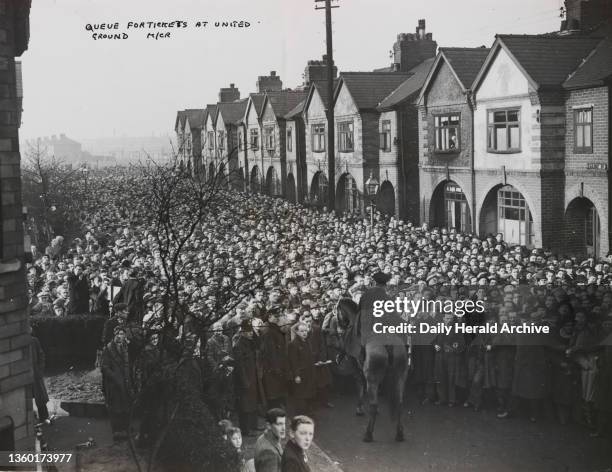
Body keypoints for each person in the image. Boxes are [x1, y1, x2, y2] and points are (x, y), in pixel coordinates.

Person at [100, 325, 132, 441]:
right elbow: (104, 367)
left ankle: (124, 430)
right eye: (118, 334)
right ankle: (117, 432)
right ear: (114, 335)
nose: (120, 336)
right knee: (115, 408)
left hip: (125, 382)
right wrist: (115, 377)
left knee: (125, 407)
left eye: (122, 334)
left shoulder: (125, 347)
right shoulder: (108, 349)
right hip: (113, 384)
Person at [234, 319, 260, 436]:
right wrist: (245, 381)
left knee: (252, 403)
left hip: (252, 377)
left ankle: (253, 426)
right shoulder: (239, 345)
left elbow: (258, 343)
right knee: (245, 405)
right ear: (242, 332)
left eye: (251, 331)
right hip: (245, 379)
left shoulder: (249, 342)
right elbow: (239, 366)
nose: (251, 333)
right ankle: (246, 430)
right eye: (248, 331)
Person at [288, 322, 315, 416]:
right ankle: (300, 415)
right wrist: (297, 375)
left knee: (308, 394)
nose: (304, 333)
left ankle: (307, 413)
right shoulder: (294, 344)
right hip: (301, 374)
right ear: (297, 332)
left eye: (305, 331)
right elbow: (293, 361)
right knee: (300, 396)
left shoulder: (307, 342)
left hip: (309, 373)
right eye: (302, 331)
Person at [254, 408, 286, 472]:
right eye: (279, 424)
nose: (283, 428)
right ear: (268, 425)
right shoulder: (268, 452)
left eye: (284, 423)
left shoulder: (264, 437)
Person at [30, 327, 49, 422]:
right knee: (26, 398)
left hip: (35, 373)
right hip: (25, 375)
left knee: (40, 397)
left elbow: (41, 355)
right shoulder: (19, 343)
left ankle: (44, 417)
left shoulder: (34, 341)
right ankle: (31, 419)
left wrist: (40, 369)